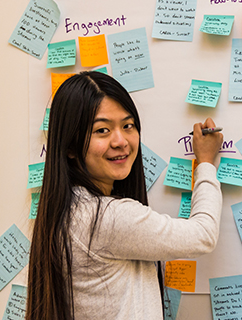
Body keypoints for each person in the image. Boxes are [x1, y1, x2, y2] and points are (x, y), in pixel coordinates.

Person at [26, 71, 223, 320]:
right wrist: (205, 163)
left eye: (127, 126)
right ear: (71, 147)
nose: (121, 141)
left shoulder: (68, 208)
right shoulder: (107, 216)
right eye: (102, 130)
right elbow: (202, 235)